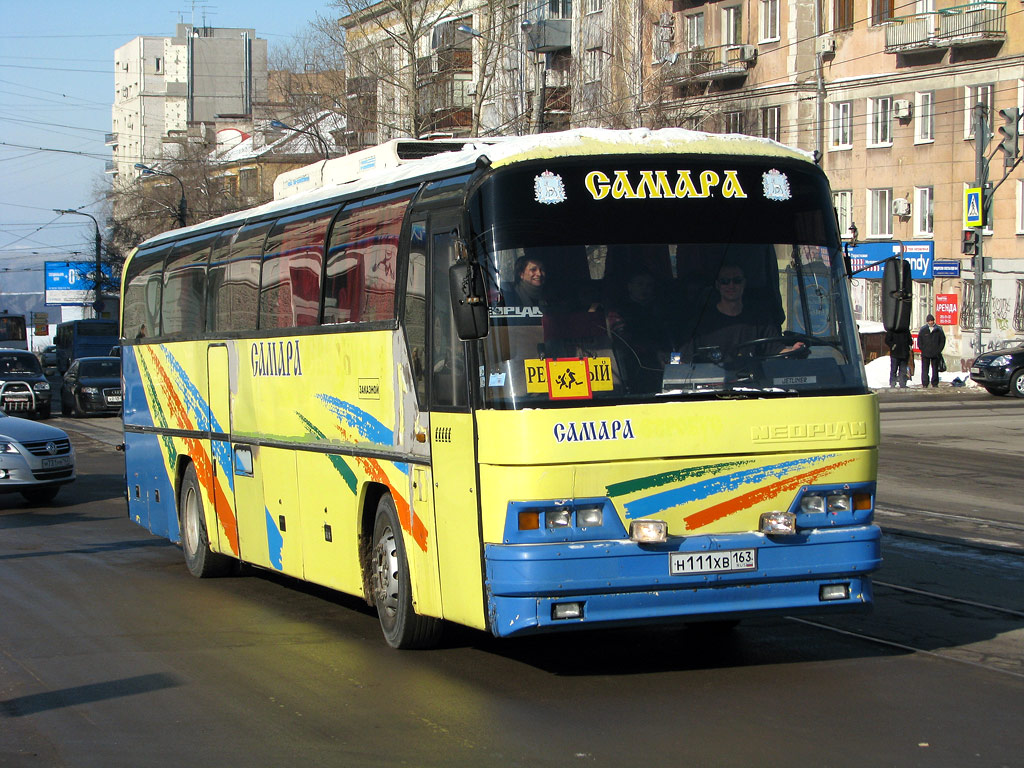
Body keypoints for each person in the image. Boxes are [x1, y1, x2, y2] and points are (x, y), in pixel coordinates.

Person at [683, 263, 804, 359]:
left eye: (737, 280)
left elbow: (776, 350)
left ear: (744, 283)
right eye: (725, 281)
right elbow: (684, 360)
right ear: (717, 285)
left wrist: (793, 351)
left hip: (753, 385)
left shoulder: (760, 319)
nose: (731, 286)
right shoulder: (701, 322)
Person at [607, 271, 673, 390]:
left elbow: (670, 337)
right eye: (640, 284)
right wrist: (654, 351)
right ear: (630, 286)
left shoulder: (661, 309)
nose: (645, 289)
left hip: (665, 363)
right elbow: (623, 341)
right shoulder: (619, 311)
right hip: (634, 366)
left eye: (649, 285)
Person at [917, 313, 946, 387]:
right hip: (925, 353)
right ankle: (925, 383)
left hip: (935, 353)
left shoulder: (938, 329)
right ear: (927, 322)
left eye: (932, 320)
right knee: (925, 369)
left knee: (935, 369)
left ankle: (935, 383)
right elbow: (919, 341)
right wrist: (922, 349)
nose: (931, 322)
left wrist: (939, 350)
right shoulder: (923, 329)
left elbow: (942, 340)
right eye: (929, 321)